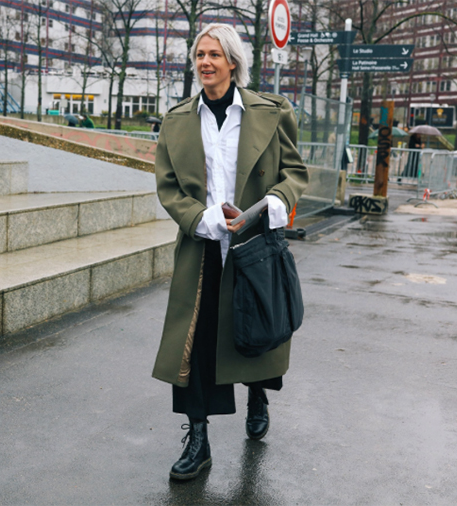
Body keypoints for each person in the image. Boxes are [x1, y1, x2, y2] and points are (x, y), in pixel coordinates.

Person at [153, 23, 308, 481]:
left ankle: (257, 393)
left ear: (233, 62)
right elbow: (168, 186)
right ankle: (198, 439)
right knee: (196, 345)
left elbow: (295, 172)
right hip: (202, 248)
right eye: (199, 54)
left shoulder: (270, 112)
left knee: (255, 330)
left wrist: (274, 204)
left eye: (214, 55)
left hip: (254, 242)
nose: (204, 62)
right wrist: (202, 219)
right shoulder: (178, 119)